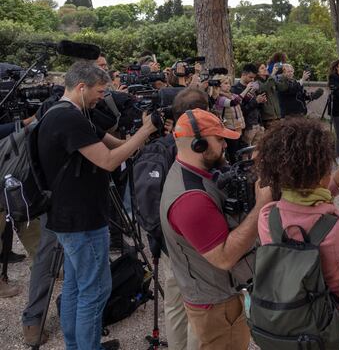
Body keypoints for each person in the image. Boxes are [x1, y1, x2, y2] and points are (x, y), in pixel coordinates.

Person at [34, 61, 157, 349]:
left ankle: (77, 345)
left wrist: (142, 132)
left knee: (77, 287)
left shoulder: (70, 113)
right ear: (81, 87)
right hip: (81, 219)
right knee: (95, 291)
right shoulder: (69, 119)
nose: (102, 97)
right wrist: (146, 130)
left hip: (73, 216)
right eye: (99, 91)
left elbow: (115, 144)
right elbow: (108, 160)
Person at [255, 118, 339, 350]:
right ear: (321, 174)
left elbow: (303, 200)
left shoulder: (268, 217)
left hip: (293, 322)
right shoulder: (336, 226)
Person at [160, 109, 270, 350]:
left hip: (215, 293)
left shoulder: (195, 171)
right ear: (198, 144)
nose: (225, 144)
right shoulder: (190, 199)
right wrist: (261, 205)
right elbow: (224, 257)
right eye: (219, 139)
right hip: (216, 304)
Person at [133, 87, 210, 350]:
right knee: (197, 306)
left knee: (176, 305)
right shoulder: (182, 150)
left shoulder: (161, 149)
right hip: (189, 247)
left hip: (171, 246)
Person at [209, 74, 245, 162]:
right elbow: (234, 102)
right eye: (225, 83)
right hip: (228, 128)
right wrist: (247, 89)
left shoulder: (231, 94)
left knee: (239, 151)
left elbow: (242, 98)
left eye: (229, 83)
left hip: (237, 127)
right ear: (219, 85)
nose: (228, 85)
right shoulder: (219, 98)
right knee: (233, 153)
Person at [231, 63, 267, 147]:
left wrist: (261, 101)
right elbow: (240, 110)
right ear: (243, 74)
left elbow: (257, 107)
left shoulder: (253, 88)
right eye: (250, 77)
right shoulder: (235, 89)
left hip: (258, 124)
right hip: (247, 126)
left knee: (258, 150)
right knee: (246, 152)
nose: (252, 80)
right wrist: (256, 102)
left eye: (254, 78)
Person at [256, 62, 288, 128]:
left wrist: (284, 75)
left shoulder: (271, 79)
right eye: (262, 68)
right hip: (267, 117)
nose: (265, 69)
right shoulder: (256, 82)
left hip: (277, 115)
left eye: (265, 67)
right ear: (257, 72)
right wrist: (272, 74)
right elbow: (264, 88)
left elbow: (283, 88)